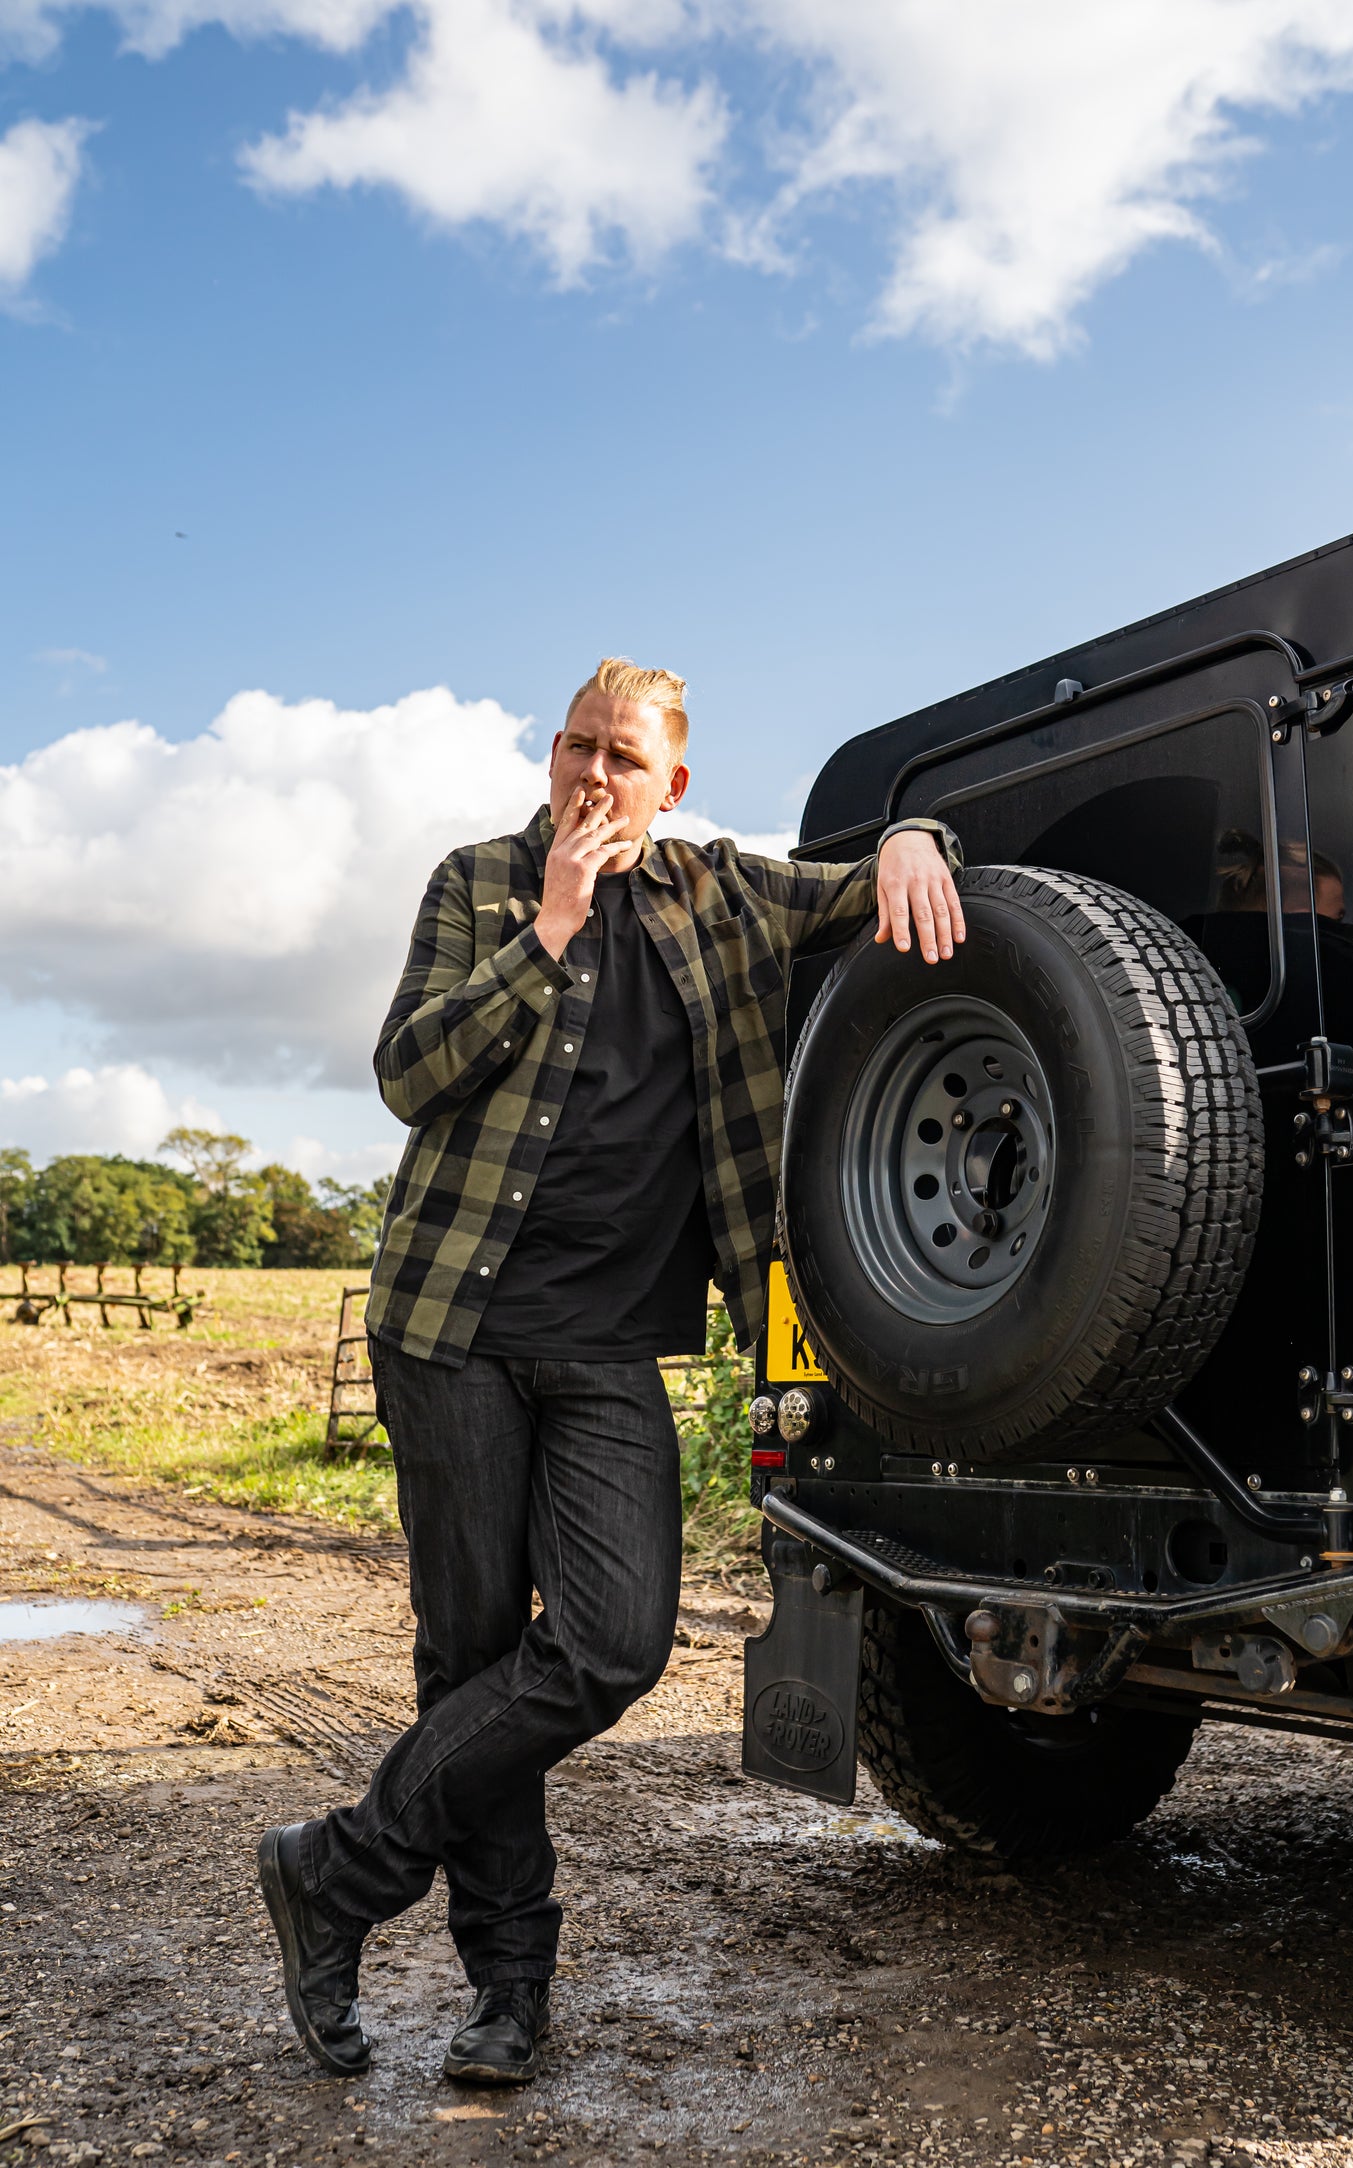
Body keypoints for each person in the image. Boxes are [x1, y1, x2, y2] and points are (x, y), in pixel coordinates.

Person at [257, 658, 965, 2086]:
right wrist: (549, 930)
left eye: (620, 757)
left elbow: (864, 885)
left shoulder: (726, 895)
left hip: (602, 1349)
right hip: (449, 1329)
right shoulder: (477, 881)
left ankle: (333, 1871)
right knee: (469, 1657)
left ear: (670, 782)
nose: (590, 774)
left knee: (609, 1643)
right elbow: (409, 1070)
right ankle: (508, 1990)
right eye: (575, 745)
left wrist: (910, 836)